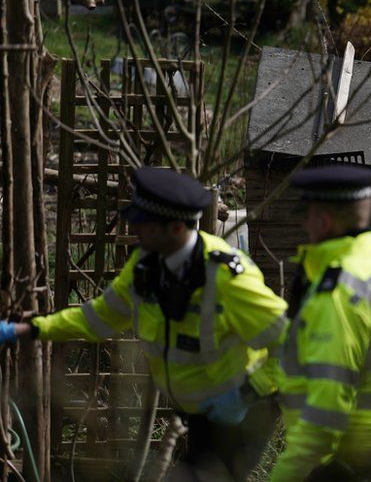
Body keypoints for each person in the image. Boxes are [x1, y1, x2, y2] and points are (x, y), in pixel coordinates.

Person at [0, 167, 287, 481]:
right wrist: (28, 329)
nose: (134, 227)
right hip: (201, 407)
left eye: (144, 223)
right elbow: (98, 317)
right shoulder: (147, 267)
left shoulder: (227, 278)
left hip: (243, 413)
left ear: (176, 228)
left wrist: (247, 394)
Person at [270, 164, 371, 482]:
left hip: (348, 464)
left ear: (323, 220)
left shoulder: (338, 293)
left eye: (305, 215)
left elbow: (326, 410)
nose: (304, 224)